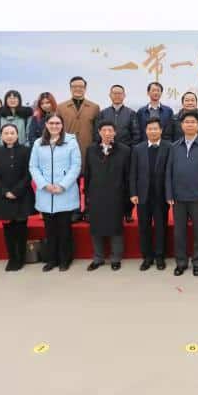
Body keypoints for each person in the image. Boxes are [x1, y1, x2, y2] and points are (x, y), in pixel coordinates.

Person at [165, 110, 198, 276]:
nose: (189, 125)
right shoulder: (174, 146)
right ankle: (181, 262)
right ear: (181, 125)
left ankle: (197, 262)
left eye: (193, 122)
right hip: (178, 197)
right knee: (179, 232)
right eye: (186, 122)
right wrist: (169, 194)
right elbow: (168, 172)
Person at [29, 114, 82, 272]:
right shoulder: (38, 143)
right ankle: (51, 259)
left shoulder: (71, 142)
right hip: (46, 193)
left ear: (62, 125)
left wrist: (62, 185)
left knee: (65, 230)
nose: (54, 126)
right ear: (46, 124)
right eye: (51, 123)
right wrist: (44, 185)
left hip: (64, 192)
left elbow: (76, 166)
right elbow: (33, 166)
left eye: (57, 123)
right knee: (50, 230)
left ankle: (65, 259)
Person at [0, 124, 36, 271]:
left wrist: (16, 191)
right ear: (1, 136)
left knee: (21, 227)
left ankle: (21, 257)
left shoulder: (26, 151)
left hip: (22, 194)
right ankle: (12, 258)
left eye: (12, 133)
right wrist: (5, 191)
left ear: (17, 135)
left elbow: (29, 172)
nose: (9, 136)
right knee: (8, 229)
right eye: (6, 133)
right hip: (3, 196)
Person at [85, 121, 131, 271]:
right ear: (99, 132)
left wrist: (127, 197)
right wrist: (87, 194)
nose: (107, 133)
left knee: (116, 227)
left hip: (116, 194)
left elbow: (128, 175)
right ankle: (98, 258)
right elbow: (88, 174)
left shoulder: (124, 150)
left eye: (110, 130)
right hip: (96, 194)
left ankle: (115, 258)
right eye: (104, 130)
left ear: (115, 132)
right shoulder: (91, 150)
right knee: (96, 227)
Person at [56, 76, 100, 221]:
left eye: (81, 86)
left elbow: (97, 131)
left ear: (85, 88)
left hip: (89, 151)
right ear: (70, 88)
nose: (78, 89)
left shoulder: (94, 107)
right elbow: (57, 129)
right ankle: (74, 210)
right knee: (71, 183)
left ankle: (88, 210)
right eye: (75, 86)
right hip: (68, 151)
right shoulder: (61, 107)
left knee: (90, 182)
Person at [130, 119, 171, 271]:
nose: (153, 131)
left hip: (161, 195)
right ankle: (147, 257)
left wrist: (170, 193)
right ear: (146, 130)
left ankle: (160, 256)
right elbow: (133, 172)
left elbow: (171, 172)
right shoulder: (138, 148)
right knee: (144, 227)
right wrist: (133, 193)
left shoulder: (169, 147)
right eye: (150, 129)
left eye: (155, 128)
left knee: (161, 227)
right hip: (143, 195)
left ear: (161, 130)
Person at [95, 84, 140, 222]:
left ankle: (128, 211)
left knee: (126, 182)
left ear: (124, 96)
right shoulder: (103, 113)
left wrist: (130, 152)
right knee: (109, 183)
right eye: (114, 93)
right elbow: (97, 135)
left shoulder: (131, 113)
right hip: (107, 154)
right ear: (110, 95)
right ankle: (111, 209)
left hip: (125, 154)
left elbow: (136, 135)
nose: (117, 95)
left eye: (120, 93)